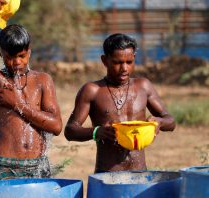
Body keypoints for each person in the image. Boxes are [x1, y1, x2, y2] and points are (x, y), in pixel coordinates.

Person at [0, 0, 63, 180]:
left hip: (38, 164)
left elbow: (56, 126)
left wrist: (17, 103)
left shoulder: (42, 81)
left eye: (22, 56)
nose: (17, 63)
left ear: (29, 51)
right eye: (10, 57)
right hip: (7, 165)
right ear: (0, 54)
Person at [64, 33, 175, 173]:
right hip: (107, 175)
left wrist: (159, 122)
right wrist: (97, 132)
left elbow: (171, 121)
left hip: (140, 174)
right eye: (117, 62)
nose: (124, 68)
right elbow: (70, 130)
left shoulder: (143, 86)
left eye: (129, 62)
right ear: (105, 61)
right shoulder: (92, 90)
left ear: (134, 59)